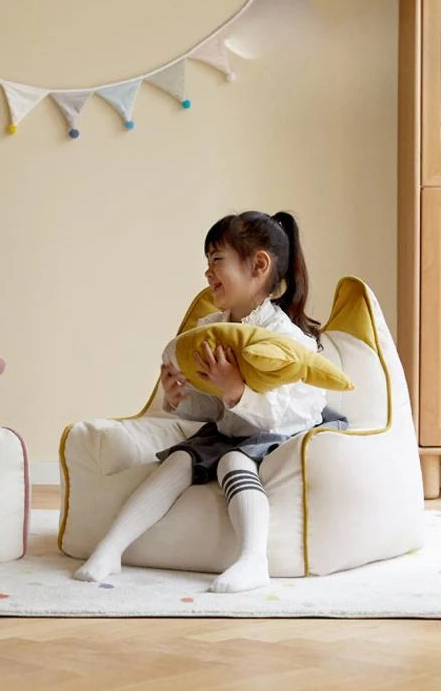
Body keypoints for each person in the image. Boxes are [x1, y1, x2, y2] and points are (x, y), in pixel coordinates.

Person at [74, 210, 346, 592]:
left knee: (234, 458)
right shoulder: (212, 331)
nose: (208, 272)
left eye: (217, 260)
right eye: (207, 262)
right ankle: (111, 548)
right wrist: (179, 396)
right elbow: (211, 408)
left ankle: (254, 559)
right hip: (234, 430)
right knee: (182, 457)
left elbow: (282, 413)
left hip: (280, 433)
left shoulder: (284, 339)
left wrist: (237, 389)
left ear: (259, 266)